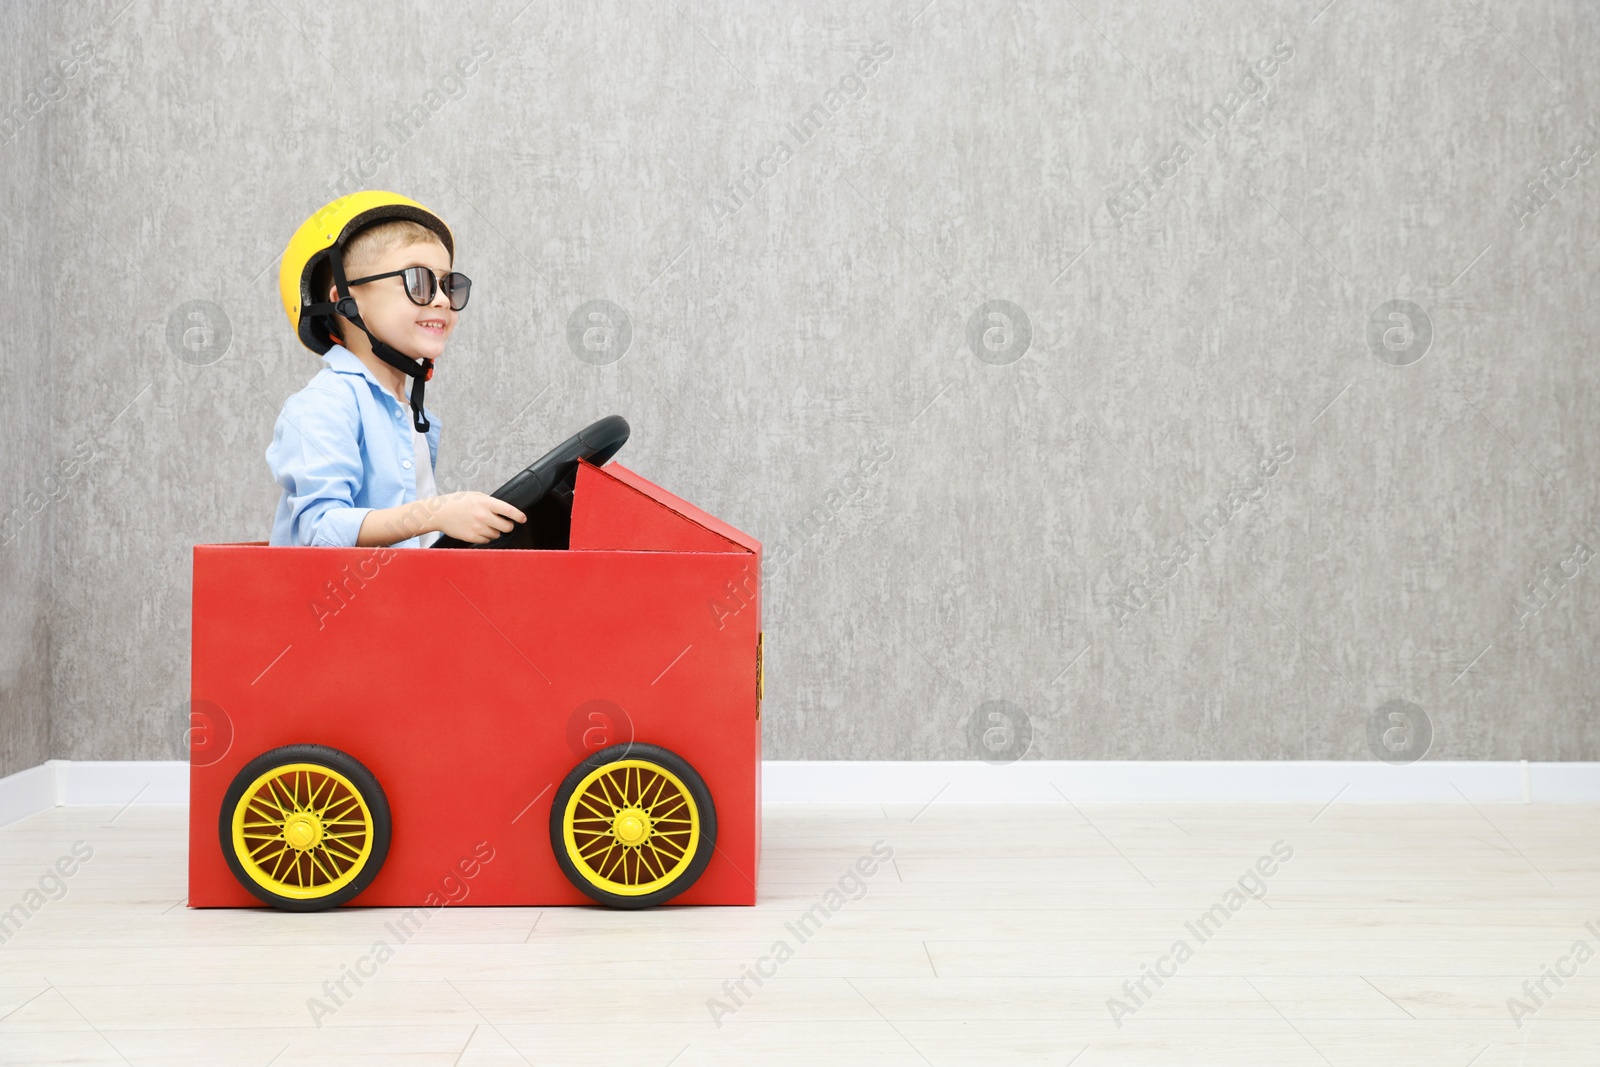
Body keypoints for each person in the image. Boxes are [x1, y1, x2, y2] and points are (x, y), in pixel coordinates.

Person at [268, 190, 525, 547]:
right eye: (417, 282)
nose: (441, 300)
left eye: (448, 285)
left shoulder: (407, 412)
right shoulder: (325, 405)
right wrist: (435, 513)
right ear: (346, 302)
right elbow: (318, 531)